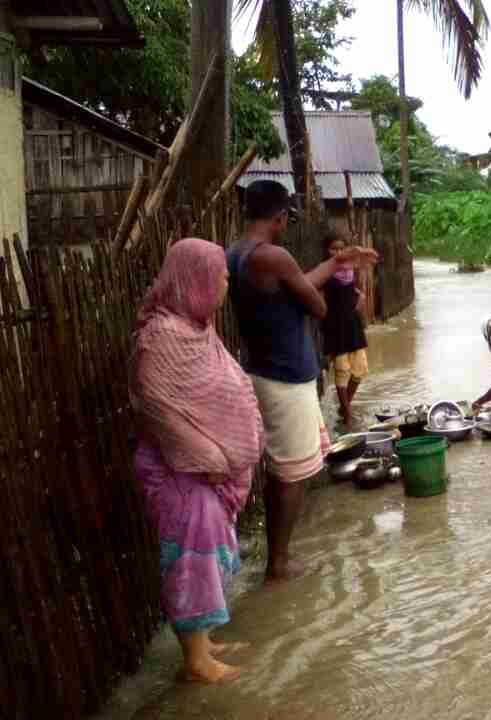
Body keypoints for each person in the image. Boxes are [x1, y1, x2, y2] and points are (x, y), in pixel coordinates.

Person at [227, 180, 376, 583]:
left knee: (283, 467)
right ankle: (279, 564)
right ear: (280, 217)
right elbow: (318, 305)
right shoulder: (275, 256)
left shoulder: (238, 253)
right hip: (286, 376)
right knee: (291, 473)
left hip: (262, 367)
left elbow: (296, 284)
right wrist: (325, 282)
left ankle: (277, 555)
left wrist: (340, 261)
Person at [130, 238, 264, 683]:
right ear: (195, 279)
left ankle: (205, 643)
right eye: (221, 276)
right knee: (191, 560)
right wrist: (208, 455)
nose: (226, 283)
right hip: (181, 475)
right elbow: (158, 406)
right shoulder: (160, 339)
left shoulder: (196, 328)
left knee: (206, 556)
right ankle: (195, 661)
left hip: (208, 475)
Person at [320, 225, 369, 424]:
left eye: (341, 249)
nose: (338, 253)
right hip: (336, 326)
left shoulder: (349, 271)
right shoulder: (324, 272)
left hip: (353, 324)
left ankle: (343, 407)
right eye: (333, 249)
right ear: (326, 250)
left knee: (360, 369)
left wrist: (360, 296)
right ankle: (347, 414)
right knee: (342, 369)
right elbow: (319, 297)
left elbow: (353, 292)